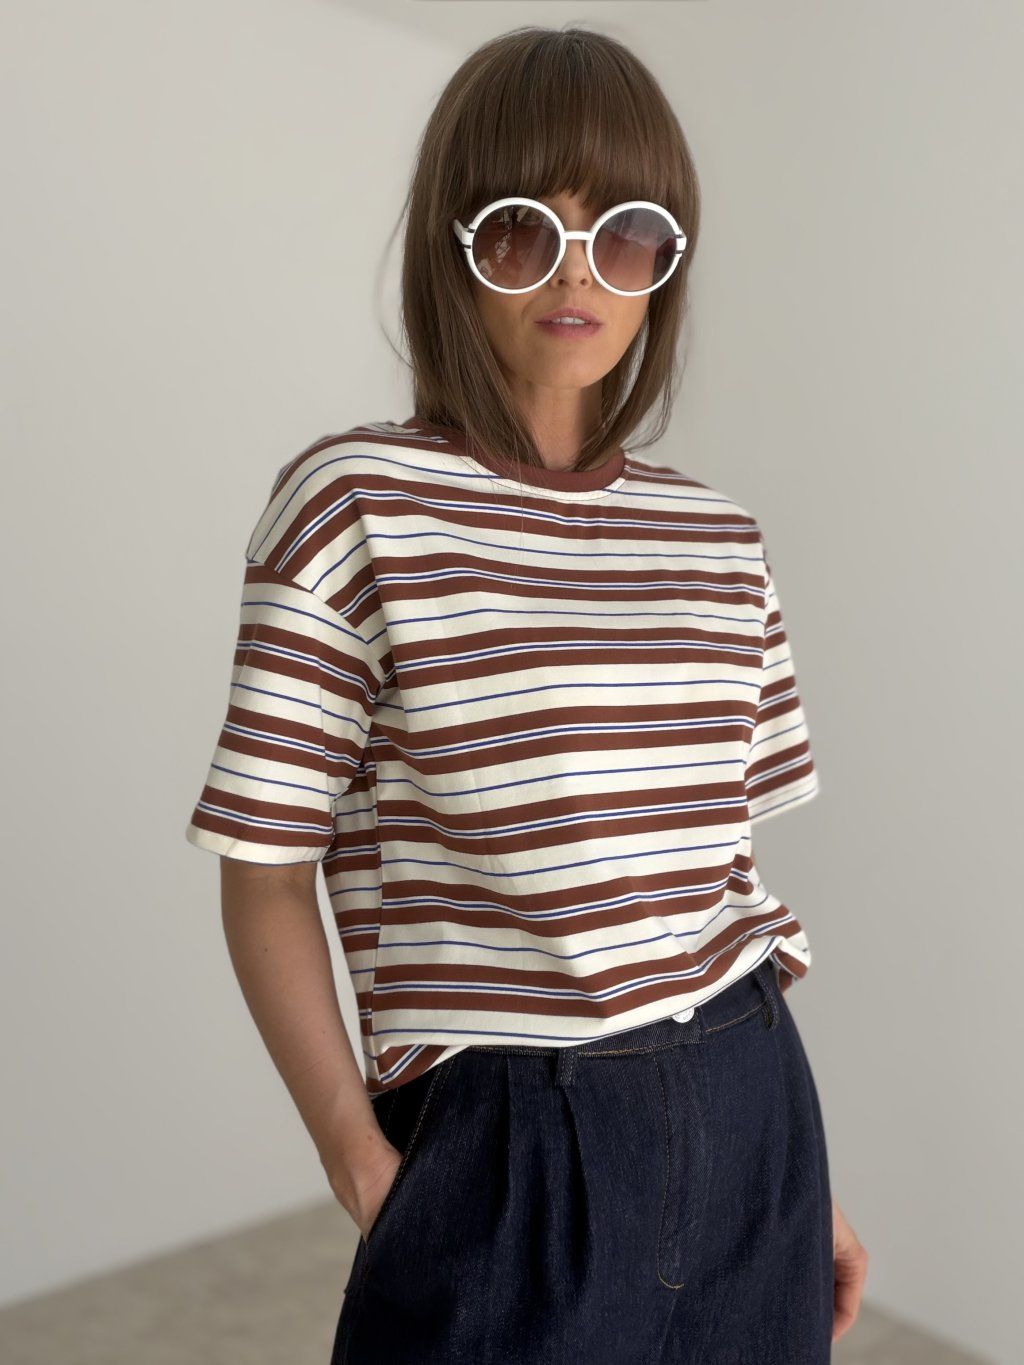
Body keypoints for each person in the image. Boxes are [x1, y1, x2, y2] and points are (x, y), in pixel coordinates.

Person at [184, 23, 868, 1364]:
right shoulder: (353, 505)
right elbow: (264, 869)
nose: (576, 272)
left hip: (751, 1105)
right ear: (455, 249)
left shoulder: (718, 537)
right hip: (511, 1143)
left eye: (625, 233)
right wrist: (360, 1159)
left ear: (666, 262)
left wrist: (798, 1183)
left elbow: (715, 882)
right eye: (521, 230)